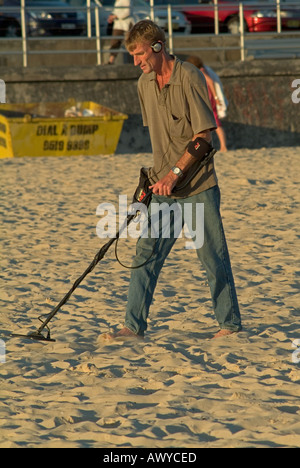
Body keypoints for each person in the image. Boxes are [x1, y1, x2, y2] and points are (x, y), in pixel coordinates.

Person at [106, 20, 241, 340]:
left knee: (212, 257)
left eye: (140, 54)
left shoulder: (189, 76)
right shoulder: (143, 85)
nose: (137, 62)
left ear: (158, 47)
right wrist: (152, 179)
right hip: (161, 188)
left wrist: (174, 173)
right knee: (145, 255)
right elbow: (161, 138)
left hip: (198, 186)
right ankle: (133, 326)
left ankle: (229, 325)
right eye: (133, 56)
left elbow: (203, 137)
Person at [186, 55, 228, 152]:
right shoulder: (203, 69)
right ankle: (222, 146)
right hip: (207, 99)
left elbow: (210, 82)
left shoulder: (201, 70)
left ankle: (223, 146)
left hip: (208, 100)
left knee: (215, 123)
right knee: (211, 123)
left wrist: (216, 97)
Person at [107, 0, 134, 65]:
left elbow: (127, 12)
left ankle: (137, 59)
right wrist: (112, 16)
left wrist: (115, 16)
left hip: (126, 24)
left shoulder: (127, 1)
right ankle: (111, 61)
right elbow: (116, 11)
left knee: (131, 42)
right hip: (118, 24)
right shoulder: (117, 1)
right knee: (114, 42)